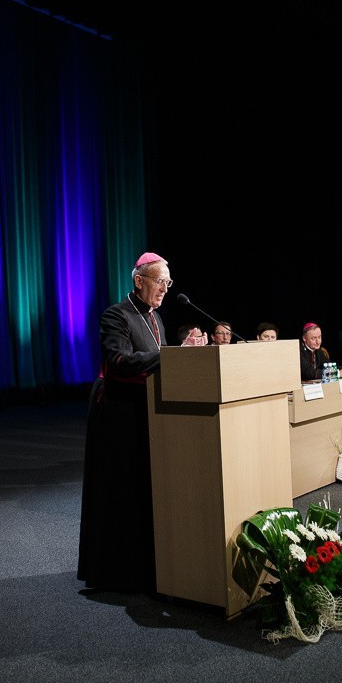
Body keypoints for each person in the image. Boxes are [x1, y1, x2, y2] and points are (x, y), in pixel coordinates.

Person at [77, 251, 207, 594]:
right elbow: (120, 362)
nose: (164, 288)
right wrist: (174, 353)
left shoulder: (155, 319)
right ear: (139, 281)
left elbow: (160, 363)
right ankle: (113, 572)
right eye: (159, 281)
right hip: (116, 413)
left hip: (146, 409)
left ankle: (143, 566)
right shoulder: (115, 315)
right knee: (119, 490)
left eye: (168, 282)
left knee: (141, 489)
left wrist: (183, 351)